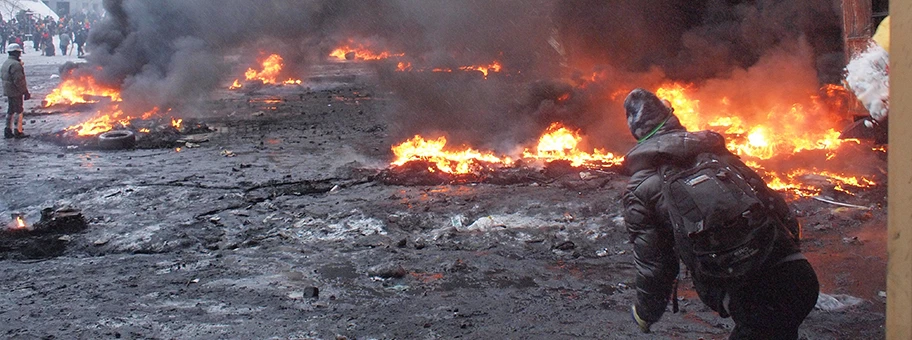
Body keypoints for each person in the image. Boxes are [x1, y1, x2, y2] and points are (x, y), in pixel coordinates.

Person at [621, 88, 818, 339]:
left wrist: (645, 313)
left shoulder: (640, 188)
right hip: (799, 275)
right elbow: (777, 207)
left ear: (639, 136)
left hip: (753, 299)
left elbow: (655, 266)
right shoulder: (716, 155)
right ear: (672, 119)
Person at [2, 43, 30, 138]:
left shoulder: (6, 63)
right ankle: (18, 131)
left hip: (8, 90)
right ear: (16, 53)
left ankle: (7, 130)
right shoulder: (15, 65)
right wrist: (25, 92)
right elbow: (19, 80)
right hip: (15, 91)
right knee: (19, 110)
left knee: (10, 110)